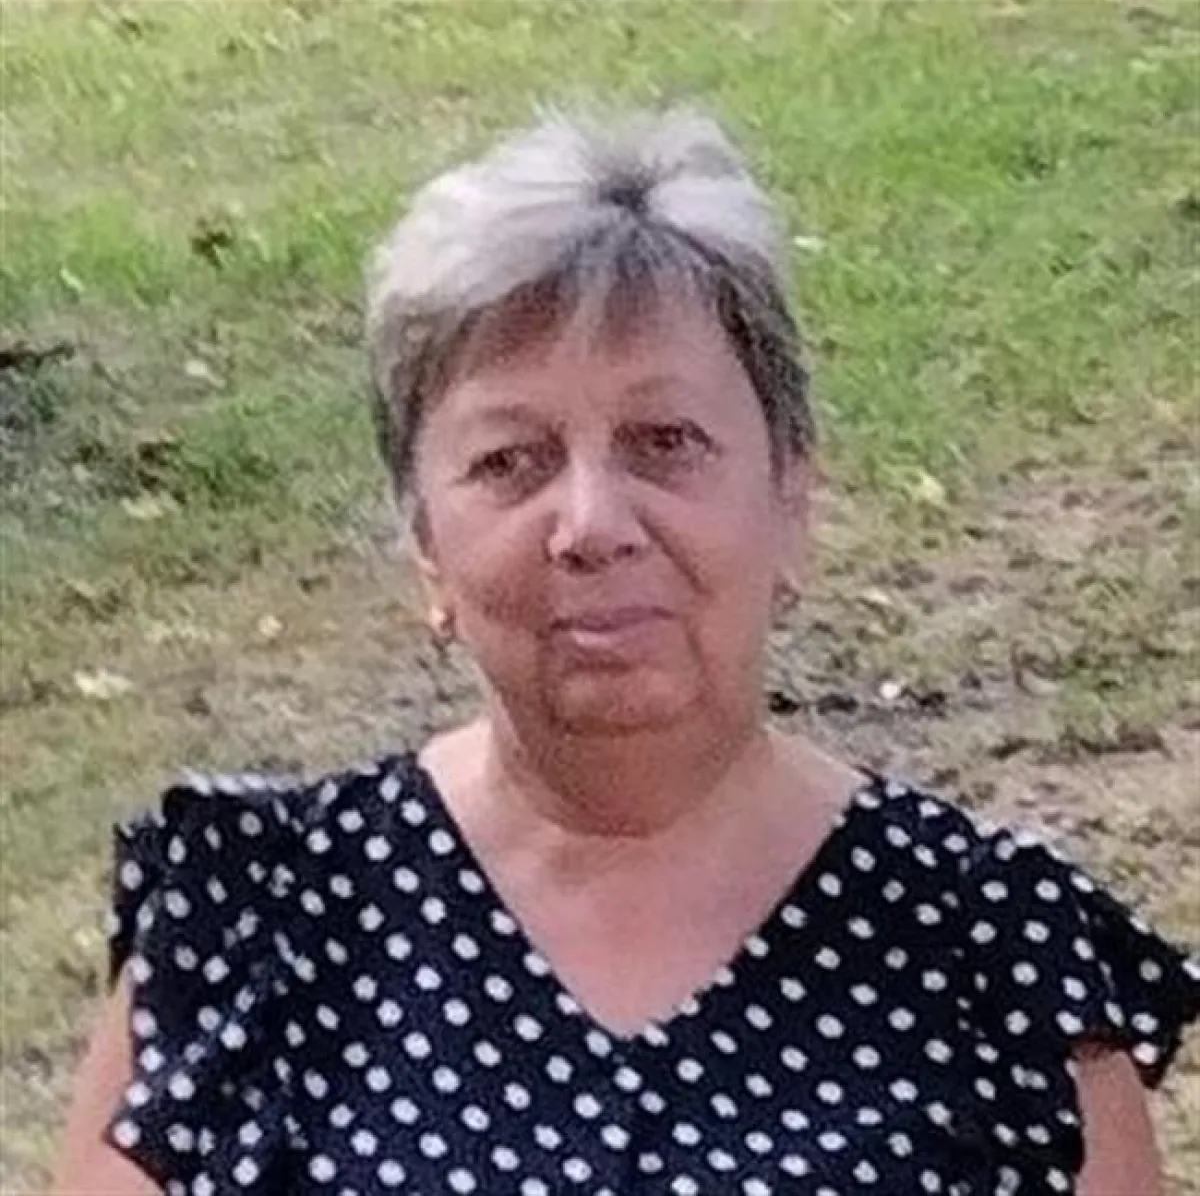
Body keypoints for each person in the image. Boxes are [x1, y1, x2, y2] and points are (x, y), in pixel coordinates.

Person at [55, 108, 1199, 1196]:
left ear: (791, 502)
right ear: (427, 548)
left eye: (665, 441)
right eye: (511, 460)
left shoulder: (993, 952)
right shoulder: (255, 927)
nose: (592, 523)